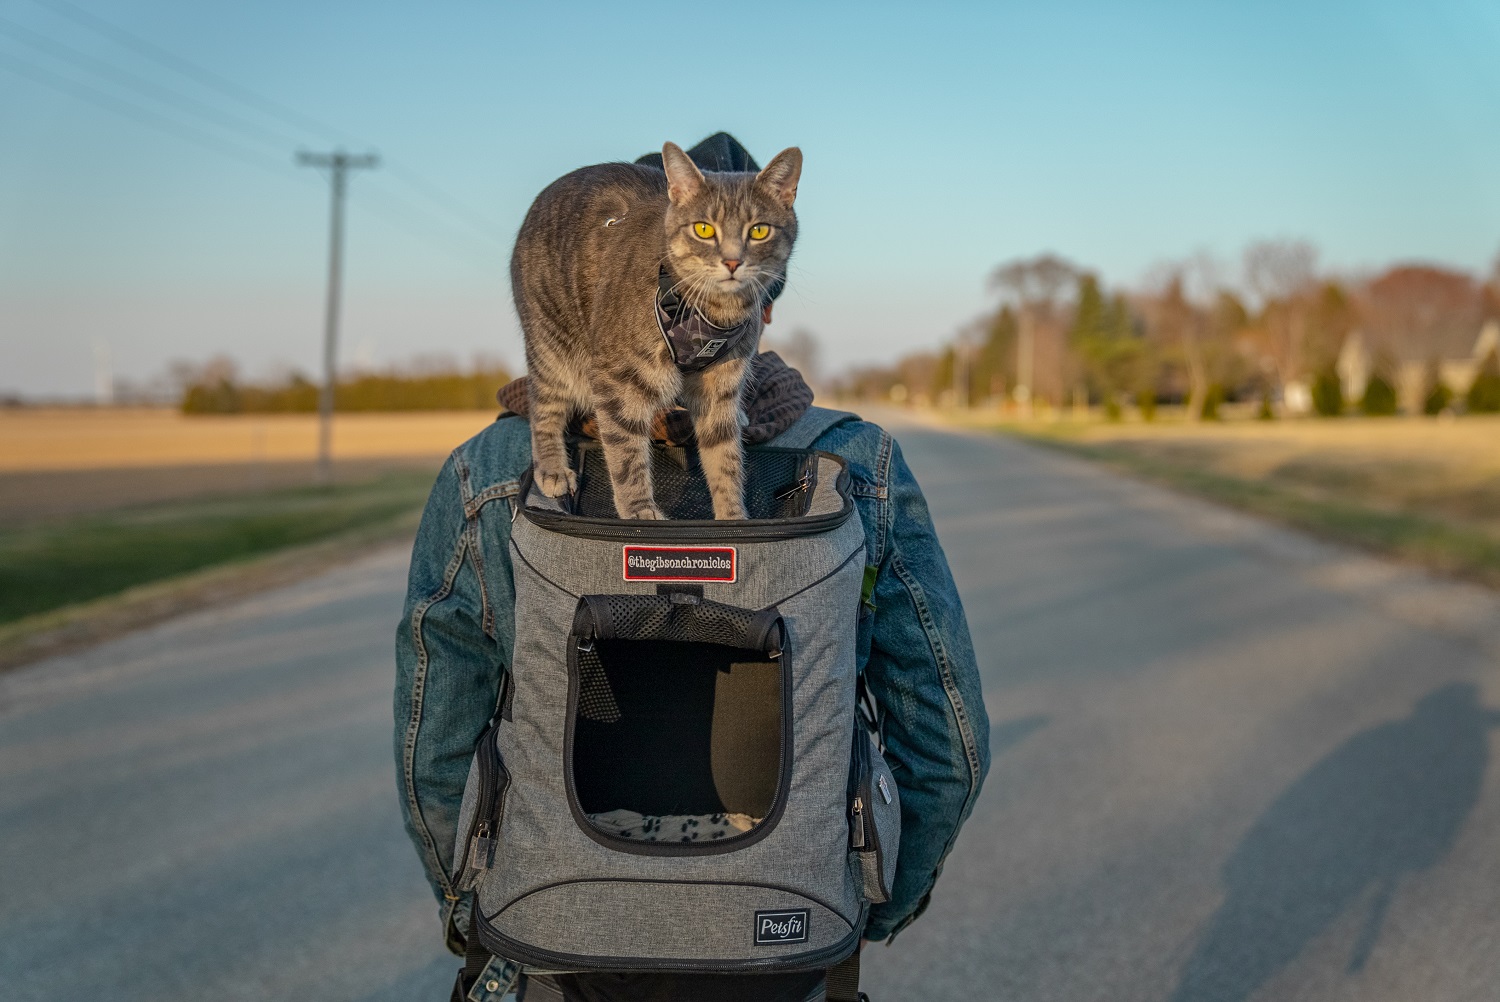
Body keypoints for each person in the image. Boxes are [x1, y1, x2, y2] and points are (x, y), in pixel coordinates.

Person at [395, 135, 989, 1002]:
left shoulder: (488, 474)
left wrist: (479, 907)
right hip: (784, 947)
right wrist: (862, 912)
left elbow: (433, 741)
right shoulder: (858, 463)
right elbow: (948, 743)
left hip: (554, 941)